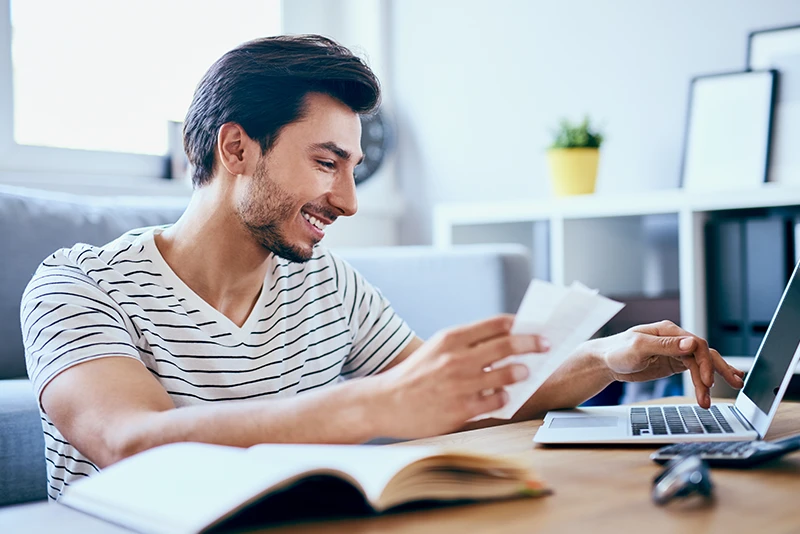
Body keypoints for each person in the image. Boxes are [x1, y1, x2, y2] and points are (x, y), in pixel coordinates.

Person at [21, 35, 745, 502]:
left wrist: (606, 359)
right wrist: (374, 405)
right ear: (234, 148)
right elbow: (125, 441)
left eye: (354, 168)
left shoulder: (326, 283)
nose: (349, 200)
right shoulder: (78, 284)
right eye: (326, 163)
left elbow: (460, 396)